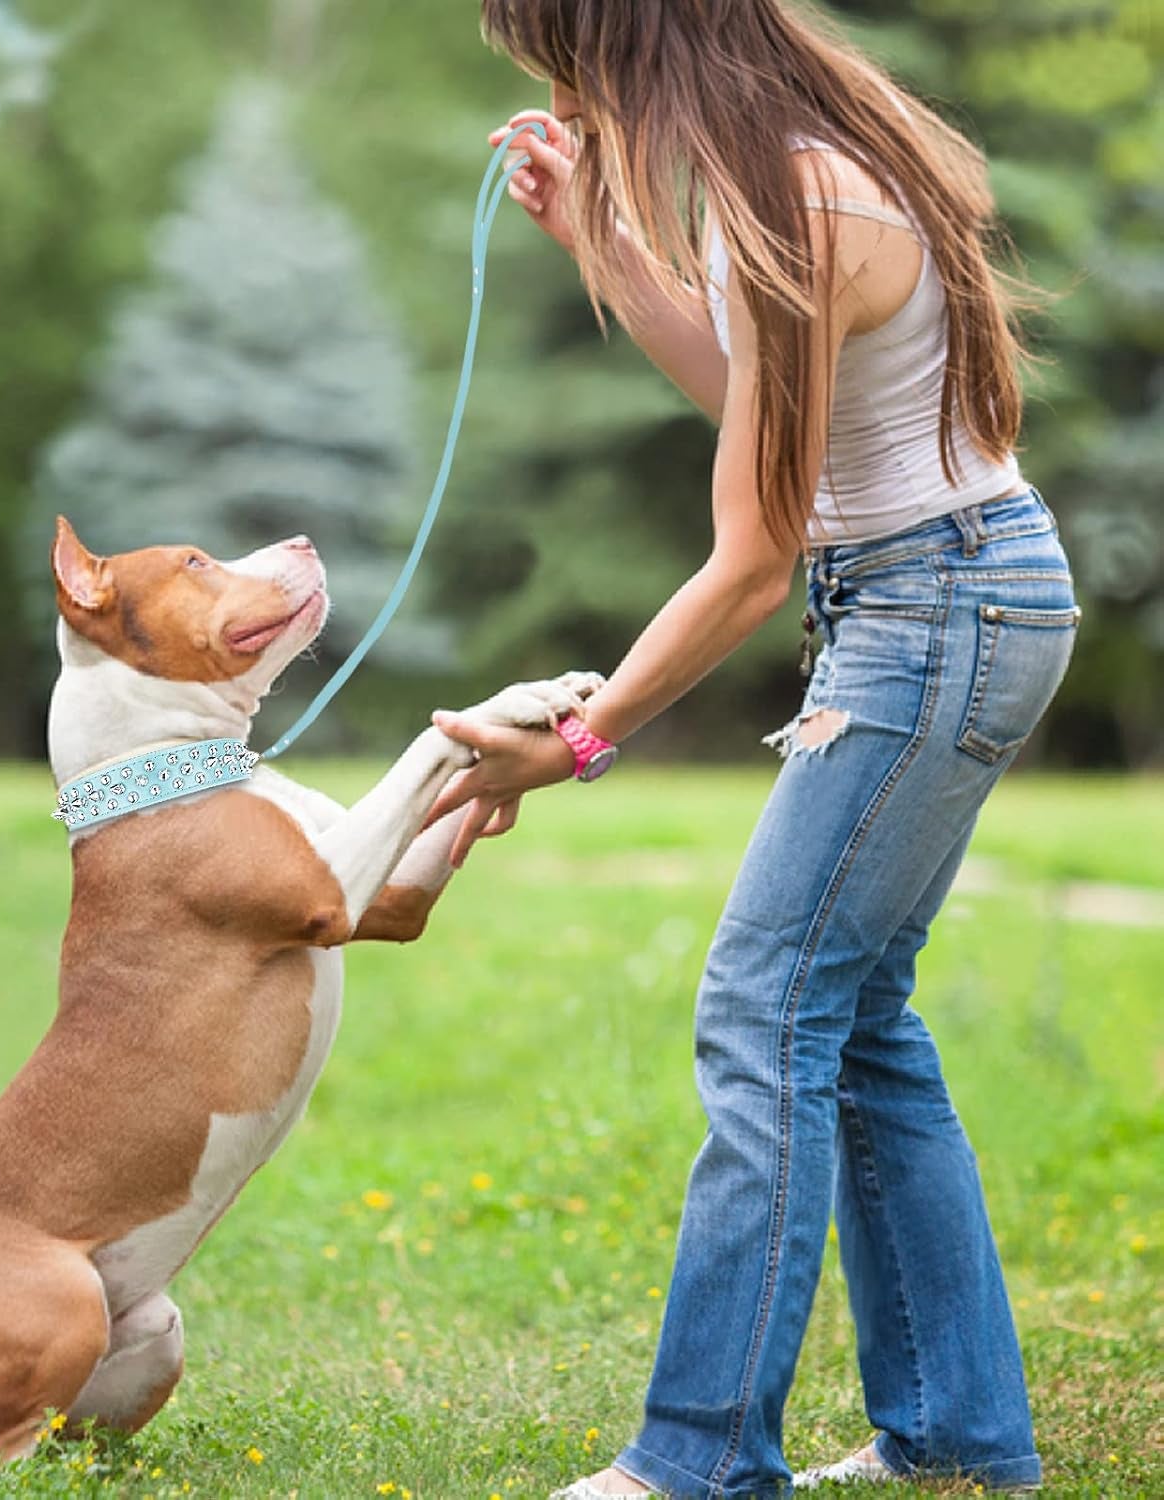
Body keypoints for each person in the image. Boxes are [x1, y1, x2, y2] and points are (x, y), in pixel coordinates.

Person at [425, 2, 1079, 1496]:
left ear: (622, 53)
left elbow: (750, 556)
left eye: (563, 68)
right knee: (851, 1022)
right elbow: (766, 406)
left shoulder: (802, 194)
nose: (561, 96)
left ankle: (700, 1460)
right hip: (944, 596)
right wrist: (608, 249)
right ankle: (960, 1439)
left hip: (935, 607)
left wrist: (578, 743)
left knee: (765, 1006)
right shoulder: (787, 172)